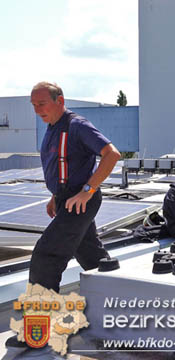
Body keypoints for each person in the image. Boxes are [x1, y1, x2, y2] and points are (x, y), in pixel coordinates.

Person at [29, 81, 121, 293]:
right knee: (91, 255)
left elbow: (112, 154)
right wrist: (55, 196)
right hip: (66, 199)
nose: (37, 110)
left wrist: (86, 192)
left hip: (80, 201)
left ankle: (42, 320)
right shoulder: (52, 128)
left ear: (59, 101)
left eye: (42, 103)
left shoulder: (77, 125)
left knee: (46, 256)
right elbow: (64, 165)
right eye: (33, 105)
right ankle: (119, 299)